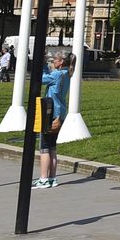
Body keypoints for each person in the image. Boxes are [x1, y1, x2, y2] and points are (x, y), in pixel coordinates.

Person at [35, 52, 72, 189]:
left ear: (61, 61)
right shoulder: (66, 74)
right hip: (60, 113)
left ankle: (43, 178)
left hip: (50, 113)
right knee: (52, 147)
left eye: (55, 60)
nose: (53, 62)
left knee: (44, 147)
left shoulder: (57, 75)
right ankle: (52, 177)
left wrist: (43, 65)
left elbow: (41, 79)